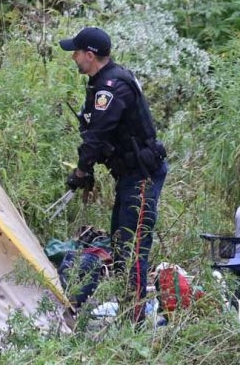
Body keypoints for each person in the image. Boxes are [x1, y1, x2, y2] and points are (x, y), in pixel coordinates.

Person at [59, 27, 168, 324]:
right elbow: (99, 135)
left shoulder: (112, 87)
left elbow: (97, 135)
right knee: (121, 247)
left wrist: (82, 170)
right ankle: (129, 315)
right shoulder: (102, 82)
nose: (73, 57)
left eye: (77, 52)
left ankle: (133, 324)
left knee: (131, 249)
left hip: (142, 176)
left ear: (90, 55)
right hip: (129, 176)